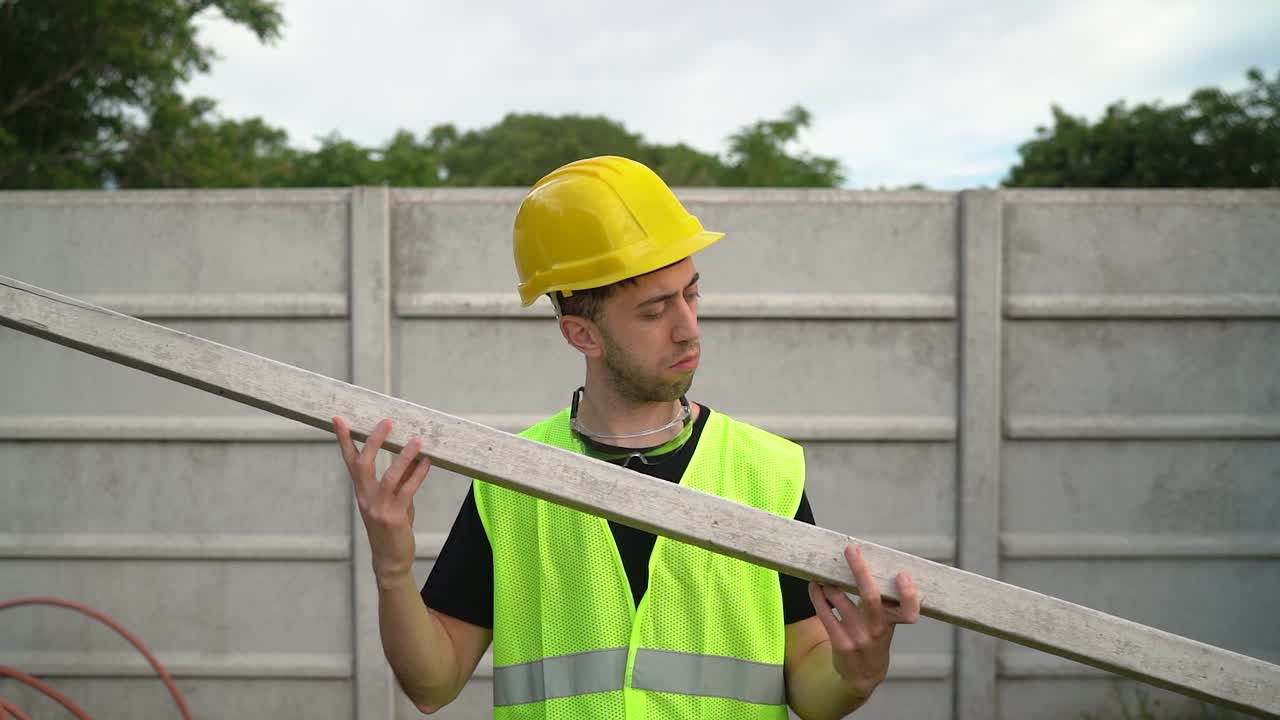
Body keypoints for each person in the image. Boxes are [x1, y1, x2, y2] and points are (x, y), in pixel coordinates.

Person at [333, 156, 922, 719]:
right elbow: (432, 684)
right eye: (654, 311)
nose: (688, 328)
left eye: (691, 294)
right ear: (582, 334)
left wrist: (856, 674)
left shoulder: (766, 472)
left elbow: (812, 691)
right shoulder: (511, 482)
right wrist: (392, 567)